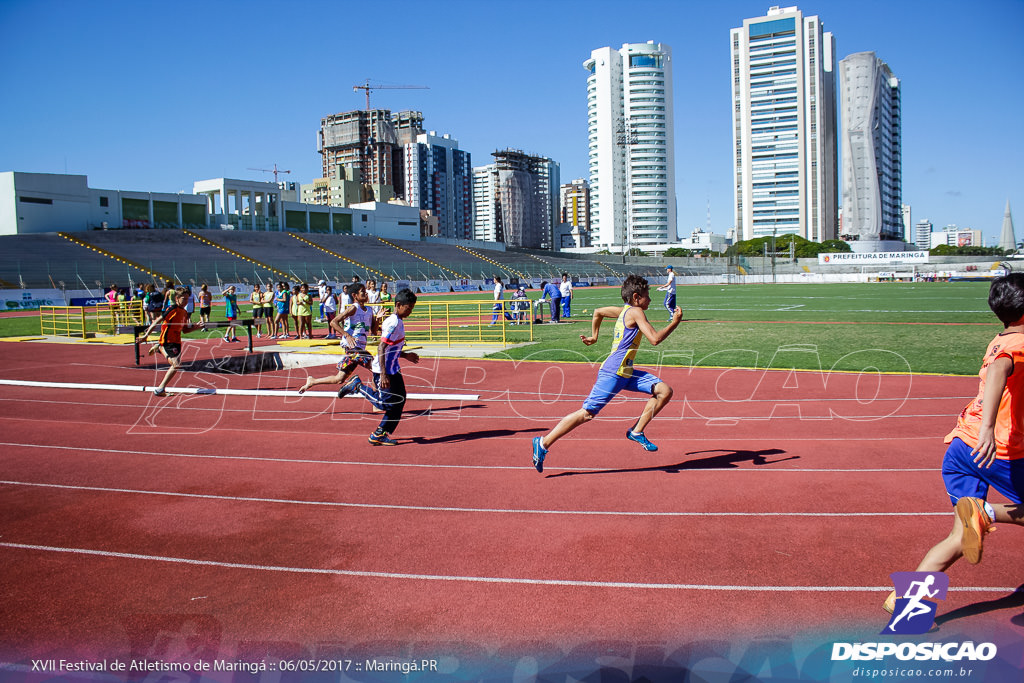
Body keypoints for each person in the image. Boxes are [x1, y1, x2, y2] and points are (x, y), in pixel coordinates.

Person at [883, 273, 1024, 613]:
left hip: (962, 448)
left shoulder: (1001, 337)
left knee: (961, 538)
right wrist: (989, 428)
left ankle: (905, 605)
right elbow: (999, 371)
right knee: (977, 519)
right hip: (997, 451)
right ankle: (986, 511)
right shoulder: (1017, 345)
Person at [532, 274, 683, 472]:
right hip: (613, 372)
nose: (651, 299)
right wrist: (675, 322)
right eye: (647, 295)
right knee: (586, 414)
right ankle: (542, 443)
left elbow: (598, 312)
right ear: (636, 297)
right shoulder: (636, 312)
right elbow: (654, 339)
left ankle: (636, 431)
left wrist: (595, 336)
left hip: (626, 372)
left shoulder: (624, 311)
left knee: (664, 391)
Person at [338, 289, 420, 446]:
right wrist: (383, 374)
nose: (410, 311)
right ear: (398, 305)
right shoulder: (393, 322)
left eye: (412, 308)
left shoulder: (399, 321)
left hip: (393, 369)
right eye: (408, 308)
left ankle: (379, 434)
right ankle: (358, 386)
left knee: (399, 401)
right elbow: (381, 348)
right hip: (383, 370)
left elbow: (391, 348)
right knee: (384, 403)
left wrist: (405, 355)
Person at [298, 283, 377, 395]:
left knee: (339, 379)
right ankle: (376, 398)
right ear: (355, 295)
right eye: (363, 291)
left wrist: (377, 319)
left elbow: (374, 331)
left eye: (366, 291)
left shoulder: (369, 310)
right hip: (353, 348)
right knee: (376, 368)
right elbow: (333, 322)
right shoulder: (354, 308)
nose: (366, 293)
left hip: (360, 347)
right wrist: (347, 335)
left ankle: (312, 381)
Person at [142, 287, 204, 397]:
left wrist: (196, 327)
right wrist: (146, 335)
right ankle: (160, 388)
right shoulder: (172, 309)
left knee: (174, 364)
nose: (185, 301)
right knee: (176, 365)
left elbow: (185, 330)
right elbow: (157, 320)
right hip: (167, 340)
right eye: (183, 299)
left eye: (187, 299)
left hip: (177, 341)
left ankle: (159, 349)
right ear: (177, 298)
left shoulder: (184, 313)